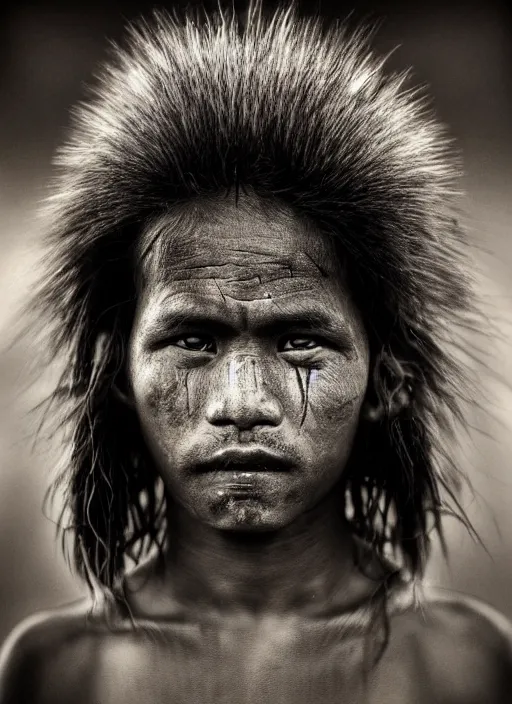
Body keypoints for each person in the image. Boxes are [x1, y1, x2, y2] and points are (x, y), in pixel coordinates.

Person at [1, 4, 511, 703]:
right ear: (118, 371)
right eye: (192, 341)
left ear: (387, 376)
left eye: (300, 340)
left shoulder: (466, 667)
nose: (242, 403)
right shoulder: (55, 674)